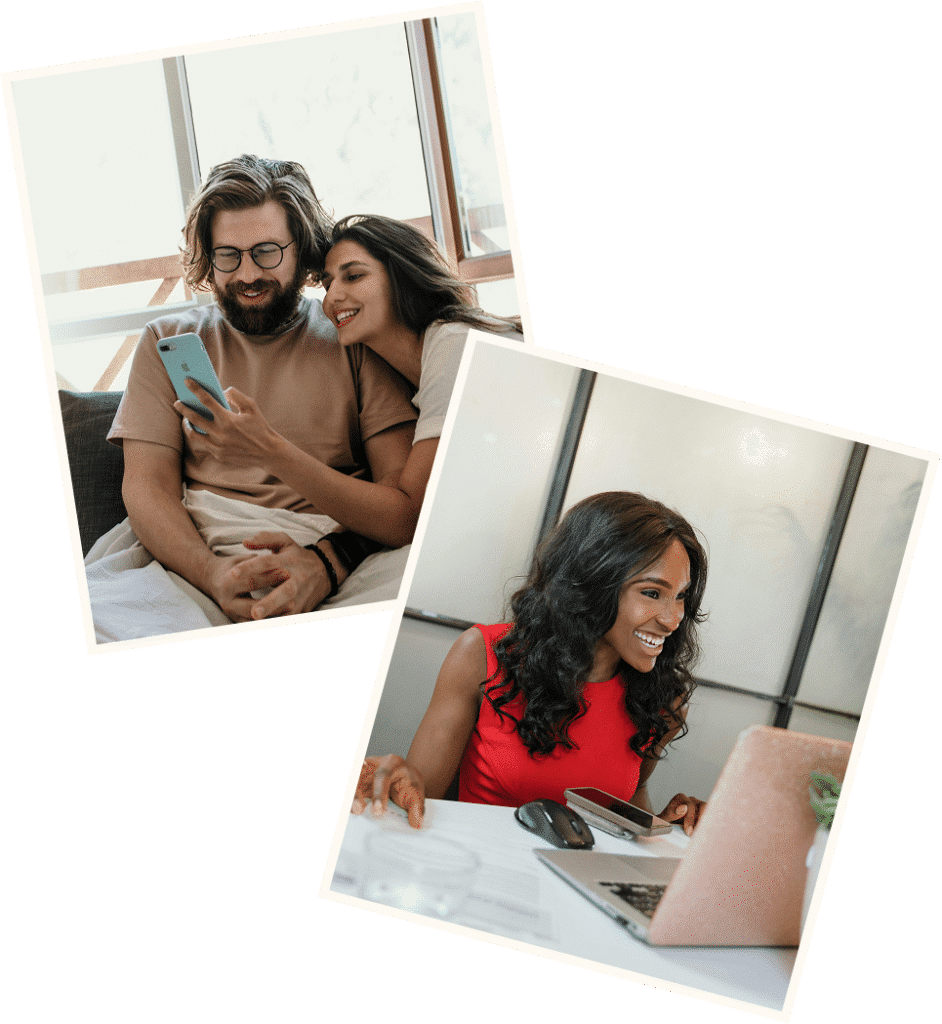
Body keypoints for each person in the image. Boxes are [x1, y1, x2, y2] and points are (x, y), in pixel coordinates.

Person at [90, 156, 419, 639]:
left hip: (334, 548)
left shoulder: (353, 334)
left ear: (301, 249)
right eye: (228, 255)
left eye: (266, 252)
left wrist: (326, 562)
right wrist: (211, 573)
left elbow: (401, 509)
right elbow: (147, 489)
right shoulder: (167, 339)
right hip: (195, 553)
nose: (247, 274)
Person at [353, 492, 710, 834]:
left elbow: (628, 797)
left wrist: (667, 826)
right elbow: (419, 798)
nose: (673, 619)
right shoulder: (482, 655)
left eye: (681, 596)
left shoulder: (663, 698)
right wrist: (399, 780)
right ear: (592, 583)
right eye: (652, 593)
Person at [185, 214, 523, 561]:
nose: (332, 298)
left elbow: (408, 517)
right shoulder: (417, 371)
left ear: (402, 276)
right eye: (327, 284)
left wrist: (268, 449)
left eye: (354, 276)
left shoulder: (454, 346)